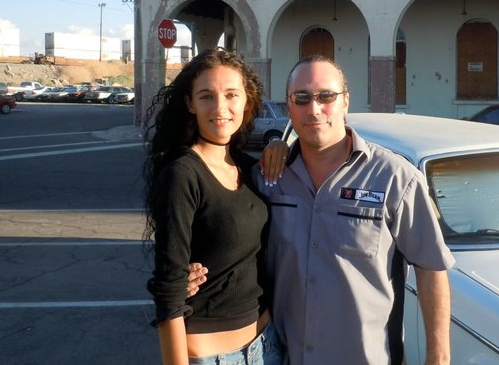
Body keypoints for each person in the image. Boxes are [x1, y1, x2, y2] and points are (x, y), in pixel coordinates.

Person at [256, 55, 455, 365]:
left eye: (326, 96)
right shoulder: (270, 178)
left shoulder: (395, 179)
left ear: (345, 101)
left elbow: (432, 267)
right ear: (289, 106)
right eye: (302, 98)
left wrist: (438, 358)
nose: (314, 108)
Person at [143, 48, 285, 365]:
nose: (220, 108)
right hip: (213, 356)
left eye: (231, 95)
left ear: (247, 101)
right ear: (190, 104)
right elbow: (169, 290)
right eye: (207, 96)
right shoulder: (182, 174)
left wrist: (282, 144)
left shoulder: (250, 168)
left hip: (267, 345)